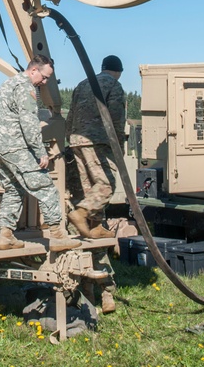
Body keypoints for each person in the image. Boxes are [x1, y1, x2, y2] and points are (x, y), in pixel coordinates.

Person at [0, 55, 81, 253]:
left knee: (14, 190)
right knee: (46, 188)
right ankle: (57, 236)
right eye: (45, 77)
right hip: (16, 147)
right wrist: (41, 153)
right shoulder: (26, 88)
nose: (45, 82)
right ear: (33, 70)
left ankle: (5, 236)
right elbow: (29, 123)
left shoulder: (8, 84)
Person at [65, 54, 126, 312]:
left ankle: (89, 291)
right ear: (118, 72)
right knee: (105, 186)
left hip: (75, 143)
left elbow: (70, 115)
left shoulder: (82, 83)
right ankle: (105, 291)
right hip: (98, 141)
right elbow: (116, 118)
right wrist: (118, 146)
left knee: (92, 211)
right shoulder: (115, 86)